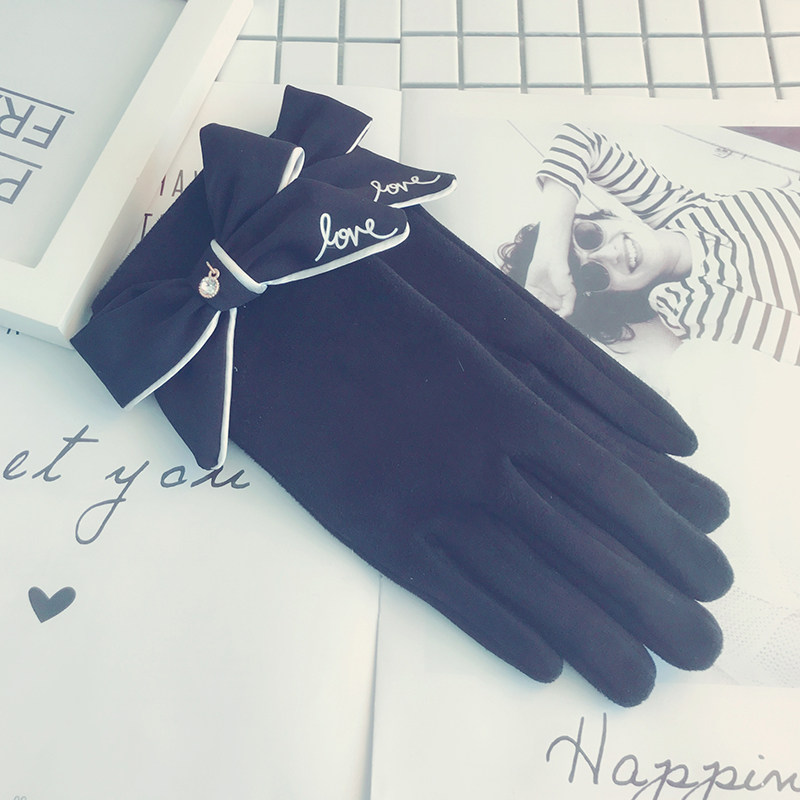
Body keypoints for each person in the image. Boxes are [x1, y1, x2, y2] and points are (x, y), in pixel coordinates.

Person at [499, 123, 800, 367]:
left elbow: (579, 140)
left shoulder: (679, 208)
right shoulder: (688, 304)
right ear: (614, 298)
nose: (609, 253)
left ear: (603, 218)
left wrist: (551, 250)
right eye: (592, 275)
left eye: (588, 236)